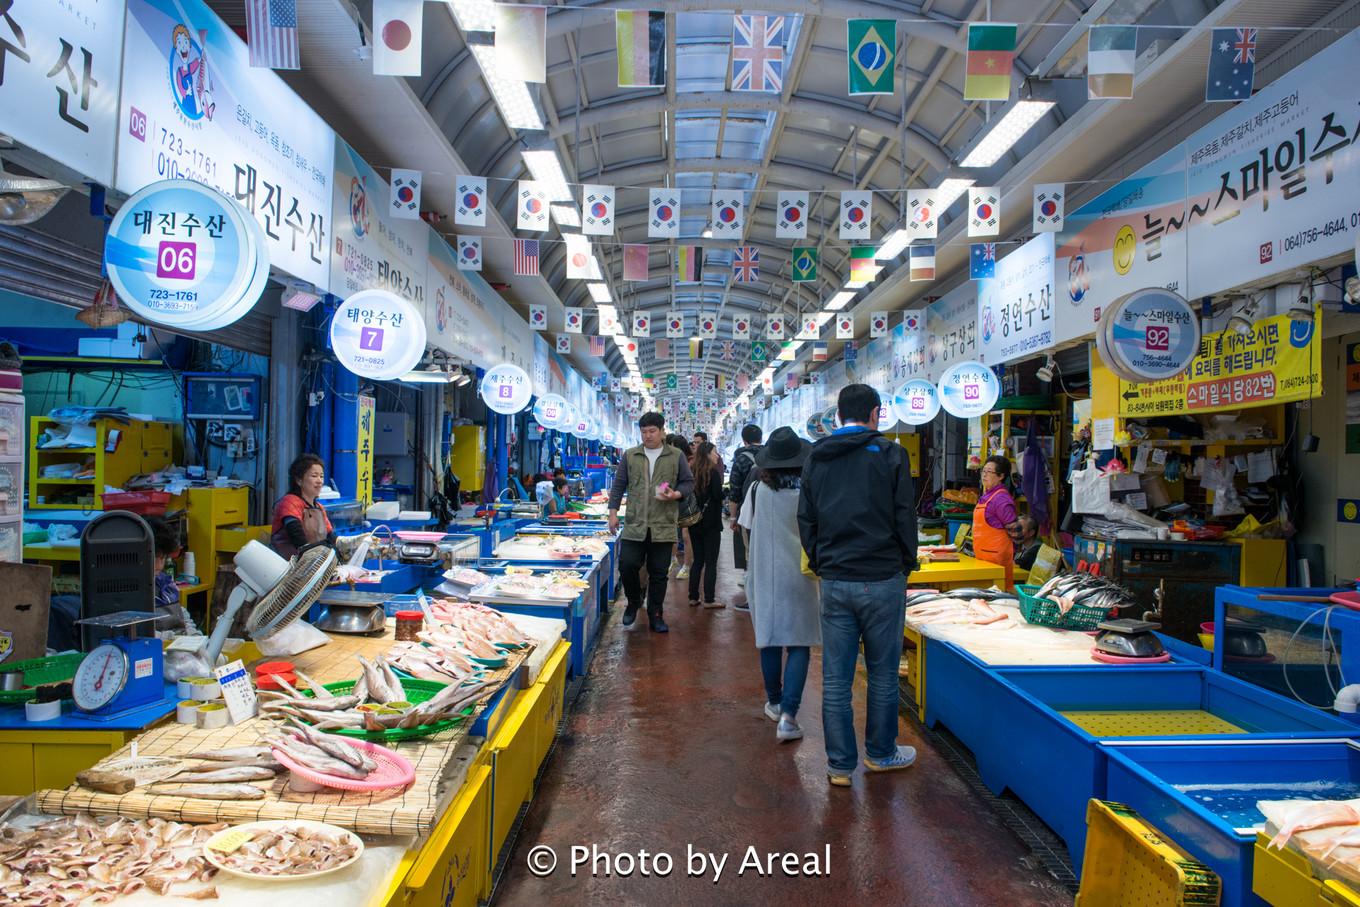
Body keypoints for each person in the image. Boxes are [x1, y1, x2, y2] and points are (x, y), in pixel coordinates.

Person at [799, 384, 919, 787]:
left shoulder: (817, 456)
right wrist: (906, 562)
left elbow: (806, 518)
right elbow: (905, 516)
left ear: (838, 417)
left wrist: (821, 562)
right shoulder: (891, 454)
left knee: (836, 678)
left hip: (835, 580)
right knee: (882, 674)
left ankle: (839, 767)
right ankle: (881, 754)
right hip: (883, 578)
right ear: (875, 413)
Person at [739, 427, 819, 743]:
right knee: (799, 642)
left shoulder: (757, 489)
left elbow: (745, 526)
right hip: (801, 575)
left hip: (764, 573)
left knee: (769, 639)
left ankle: (773, 702)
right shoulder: (810, 490)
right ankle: (788, 716)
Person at [608, 414, 694, 632]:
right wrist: (613, 513)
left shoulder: (676, 456)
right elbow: (618, 485)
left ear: (662, 431)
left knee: (659, 573)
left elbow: (688, 482)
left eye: (652, 431)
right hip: (635, 523)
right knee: (627, 565)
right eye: (644, 431)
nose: (648, 435)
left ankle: (656, 614)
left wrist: (676, 494)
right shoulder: (631, 455)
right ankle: (633, 601)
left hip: (663, 524)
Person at [271, 454, 336, 558]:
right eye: (314, 476)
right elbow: (296, 533)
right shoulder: (289, 501)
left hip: (312, 562)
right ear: (299, 480)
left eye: (321, 476)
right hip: (286, 563)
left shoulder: (319, 507)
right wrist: (312, 555)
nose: (319, 481)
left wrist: (348, 543)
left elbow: (330, 537)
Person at [687, 441, 726, 609]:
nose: (717, 455)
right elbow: (717, 495)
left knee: (697, 560)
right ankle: (709, 599)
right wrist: (724, 493)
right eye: (714, 452)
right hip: (711, 523)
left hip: (694, 521)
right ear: (708, 455)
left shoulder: (691, 472)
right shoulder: (713, 473)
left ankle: (693, 597)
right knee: (711, 561)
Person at [726, 424, 763, 593]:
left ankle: (750, 579)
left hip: (747, 510)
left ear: (744, 440)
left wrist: (733, 518)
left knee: (748, 545)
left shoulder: (740, 460)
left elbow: (734, 492)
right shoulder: (771, 454)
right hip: (770, 507)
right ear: (760, 438)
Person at [147, 517, 199, 635]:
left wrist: (194, 635)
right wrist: (169, 637)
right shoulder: (132, 591)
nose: (159, 565)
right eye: (154, 558)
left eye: (163, 558)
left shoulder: (165, 583)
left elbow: (182, 614)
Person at [974, 455, 1019, 589]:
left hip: (997, 562)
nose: (984, 475)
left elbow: (1015, 531)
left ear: (1001, 476)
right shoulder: (986, 496)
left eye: (989, 471)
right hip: (983, 558)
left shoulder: (1001, 500)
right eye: (983, 471)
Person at [666, 433, 695, 580]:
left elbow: (689, 483)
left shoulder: (690, 462)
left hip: (689, 503)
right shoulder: (668, 461)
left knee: (686, 535)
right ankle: (673, 559)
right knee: (672, 533)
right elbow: (665, 480)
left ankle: (687, 566)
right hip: (673, 503)